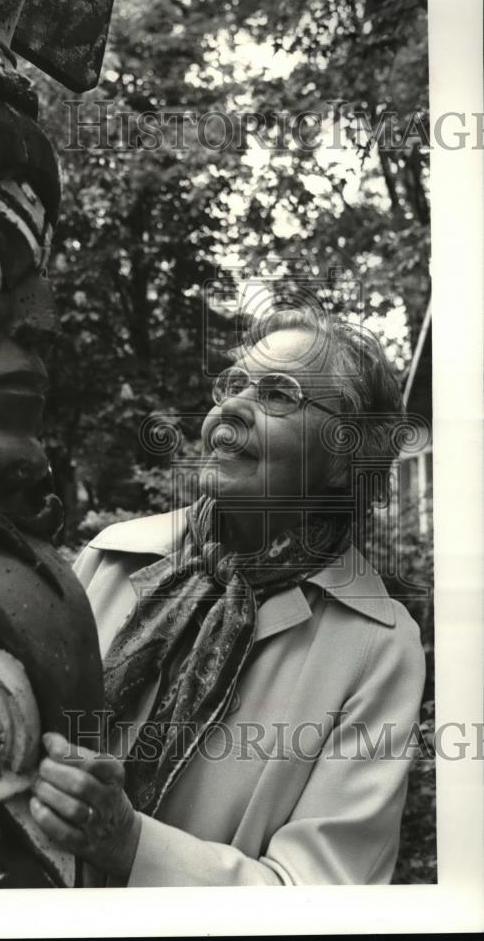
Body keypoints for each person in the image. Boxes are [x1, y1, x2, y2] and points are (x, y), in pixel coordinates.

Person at [28, 306, 426, 886]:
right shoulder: (113, 559)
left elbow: (320, 895)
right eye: (233, 383)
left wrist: (130, 844)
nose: (232, 406)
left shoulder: (377, 647)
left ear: (346, 458)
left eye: (279, 394)